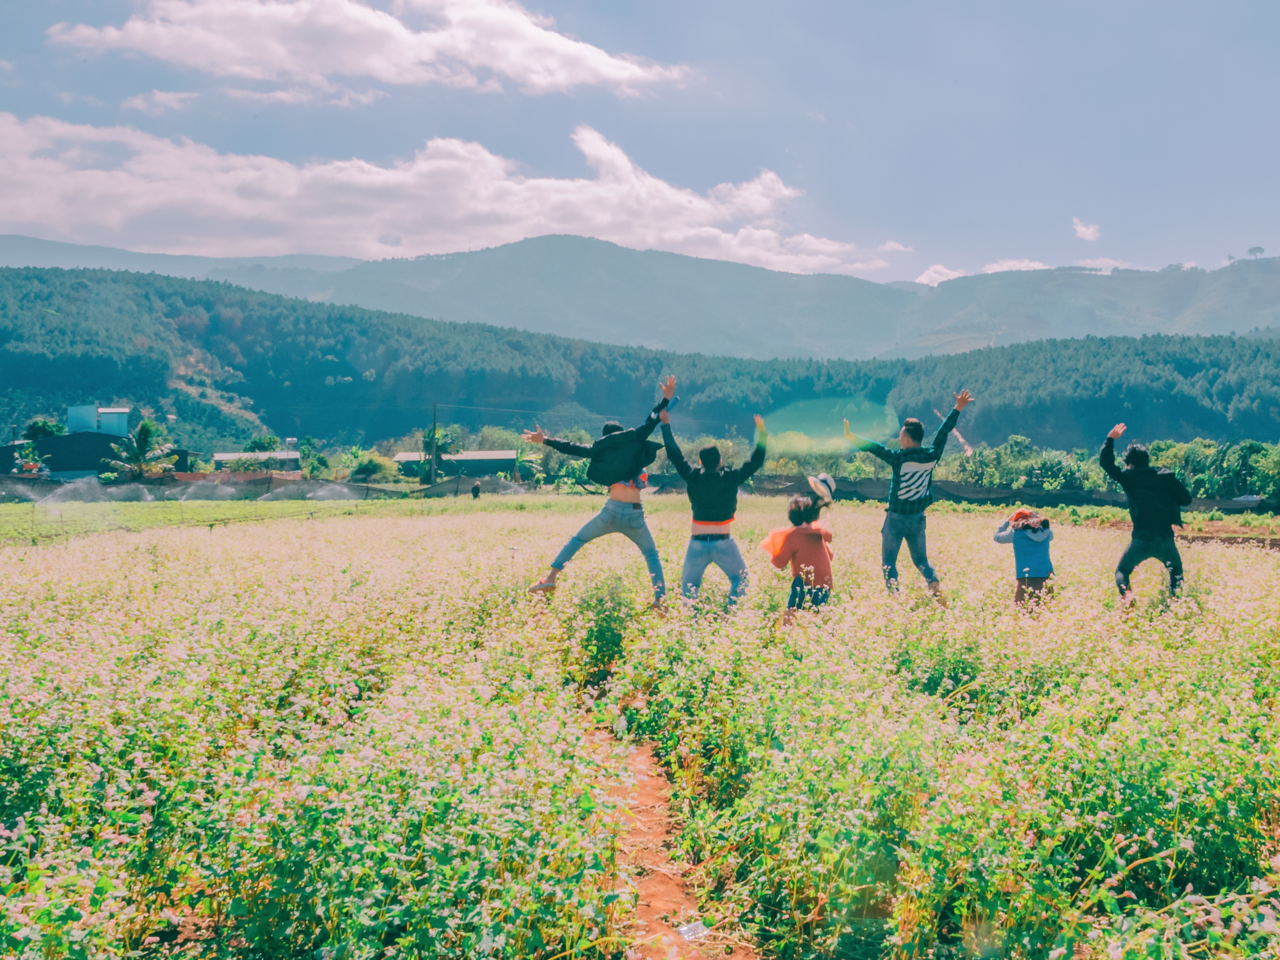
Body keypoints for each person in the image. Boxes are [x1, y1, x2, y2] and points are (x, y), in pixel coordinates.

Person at [522, 376, 675, 603]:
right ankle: (660, 600)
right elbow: (651, 421)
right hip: (635, 511)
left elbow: (571, 447)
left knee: (576, 541)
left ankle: (551, 578)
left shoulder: (599, 451)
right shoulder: (635, 451)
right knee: (651, 554)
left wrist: (545, 440)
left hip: (611, 511)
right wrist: (666, 399)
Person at [843, 390, 974, 604]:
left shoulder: (898, 458)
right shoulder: (932, 456)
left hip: (895, 518)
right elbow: (943, 433)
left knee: (889, 562)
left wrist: (851, 436)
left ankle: (895, 599)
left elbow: (874, 448)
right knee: (921, 559)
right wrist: (957, 408)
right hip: (917, 518)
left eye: (901, 434)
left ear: (905, 438)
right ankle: (932, 581)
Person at [659, 400, 767, 607]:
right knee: (740, 579)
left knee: (689, 591)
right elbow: (755, 462)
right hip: (723, 542)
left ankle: (689, 628)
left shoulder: (692, 476)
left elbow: (674, 454)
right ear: (720, 461)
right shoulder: (731, 477)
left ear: (700, 462)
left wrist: (665, 424)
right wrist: (761, 435)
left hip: (697, 542)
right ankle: (730, 615)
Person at [1100, 423, 1193, 601]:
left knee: (1122, 571)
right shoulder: (1166, 477)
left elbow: (1107, 464)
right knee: (1176, 572)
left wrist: (1110, 439)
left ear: (1130, 465)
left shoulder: (1129, 477)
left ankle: (1128, 596)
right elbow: (1186, 499)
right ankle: (1175, 604)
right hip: (1165, 538)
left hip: (1141, 539)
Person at [760, 483, 835, 624]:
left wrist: (773, 550)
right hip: (825, 583)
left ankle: (787, 634)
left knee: (791, 614)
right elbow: (830, 556)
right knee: (815, 619)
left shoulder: (793, 535)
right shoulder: (818, 533)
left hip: (804, 581)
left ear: (791, 515)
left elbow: (779, 563)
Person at [993, 508, 1054, 604]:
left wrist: (1007, 521)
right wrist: (1036, 516)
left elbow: (997, 537)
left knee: (1022, 608)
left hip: (1025, 575)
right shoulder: (1046, 532)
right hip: (1046, 573)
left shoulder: (1016, 533)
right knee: (1045, 607)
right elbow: (1051, 536)